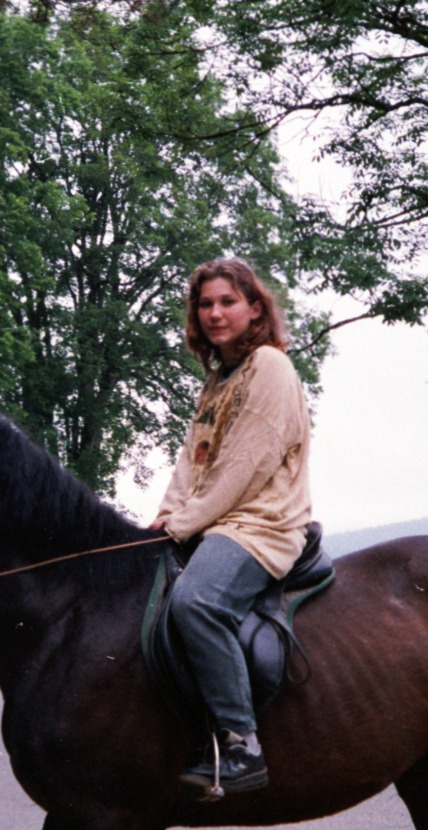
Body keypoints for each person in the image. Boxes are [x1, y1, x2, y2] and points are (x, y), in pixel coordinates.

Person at [151, 258, 313, 795]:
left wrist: (185, 523)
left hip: (260, 523)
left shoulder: (270, 366)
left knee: (195, 600)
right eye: (205, 304)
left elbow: (246, 465)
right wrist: (164, 518)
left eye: (227, 302)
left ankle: (242, 743)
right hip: (216, 519)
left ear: (254, 308)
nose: (216, 313)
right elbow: (191, 463)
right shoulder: (217, 381)